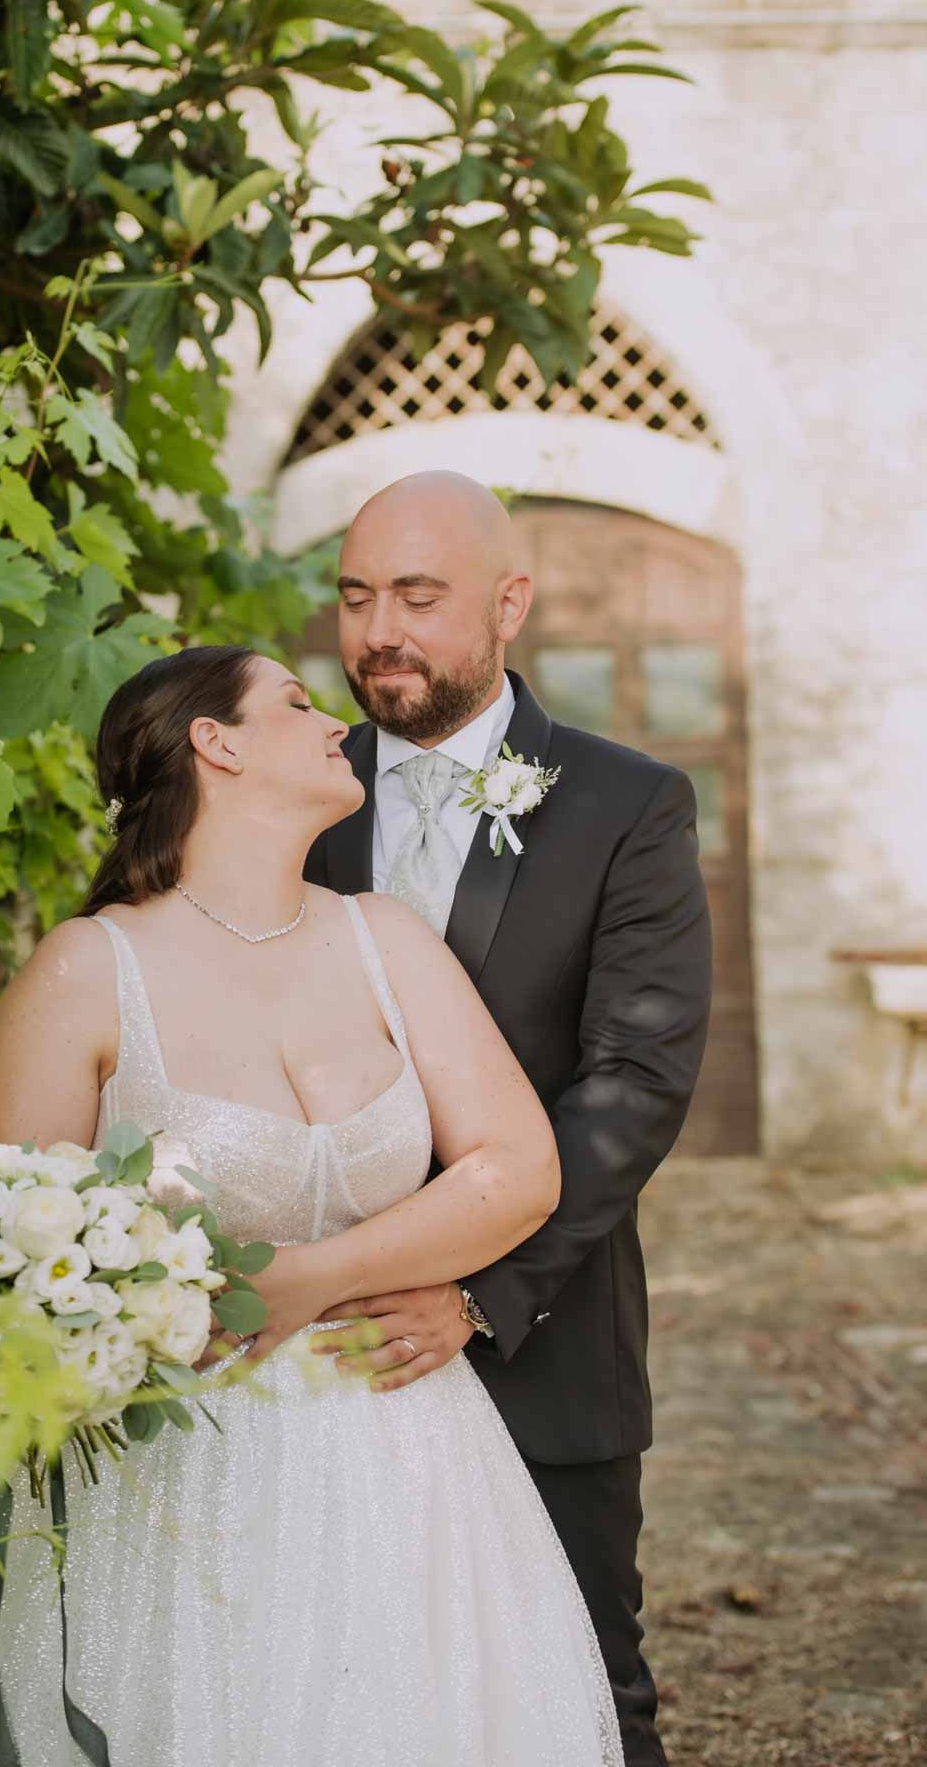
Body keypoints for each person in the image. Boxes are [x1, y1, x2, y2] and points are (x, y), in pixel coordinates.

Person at [0, 640, 624, 1767]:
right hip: (176, 1472)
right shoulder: (87, 969)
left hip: (408, 1452)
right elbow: (3, 1255)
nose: (336, 723)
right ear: (215, 744)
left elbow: (517, 1169)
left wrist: (312, 1277)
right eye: (298, 703)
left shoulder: (387, 940)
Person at [302, 470, 713, 1767]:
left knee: (581, 1697)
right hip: (314, 1348)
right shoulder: (289, 794)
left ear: (508, 604)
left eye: (417, 597)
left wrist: (474, 1293)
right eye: (356, 597)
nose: (379, 632)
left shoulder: (626, 804)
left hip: (545, 1337)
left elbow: (634, 1083)